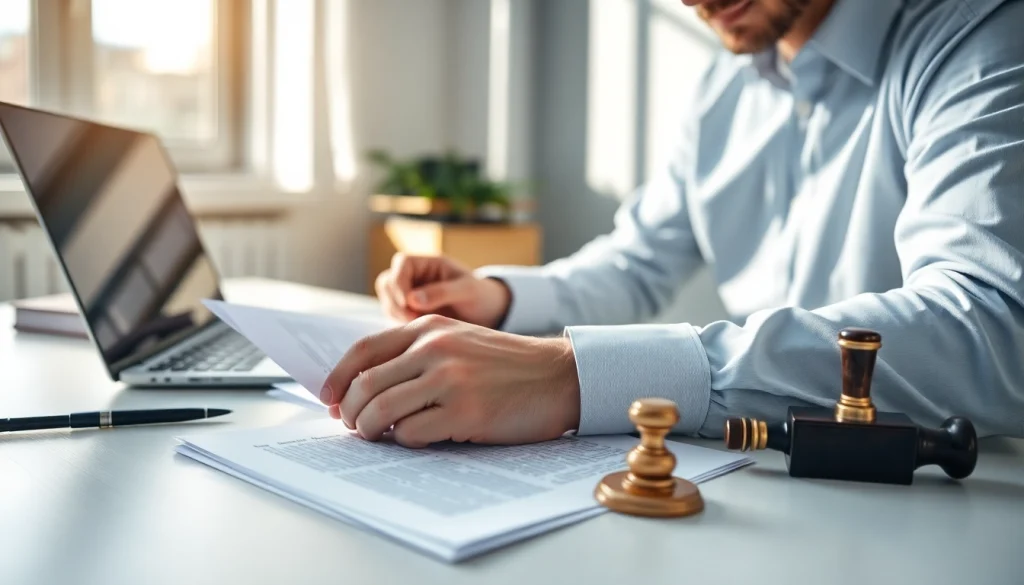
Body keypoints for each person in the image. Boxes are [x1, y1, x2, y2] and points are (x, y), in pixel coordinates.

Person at [320, 0, 1024, 448]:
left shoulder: (978, 35)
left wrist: (577, 376)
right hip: (759, 472)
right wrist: (499, 299)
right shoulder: (725, 89)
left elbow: (993, 327)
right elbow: (639, 259)